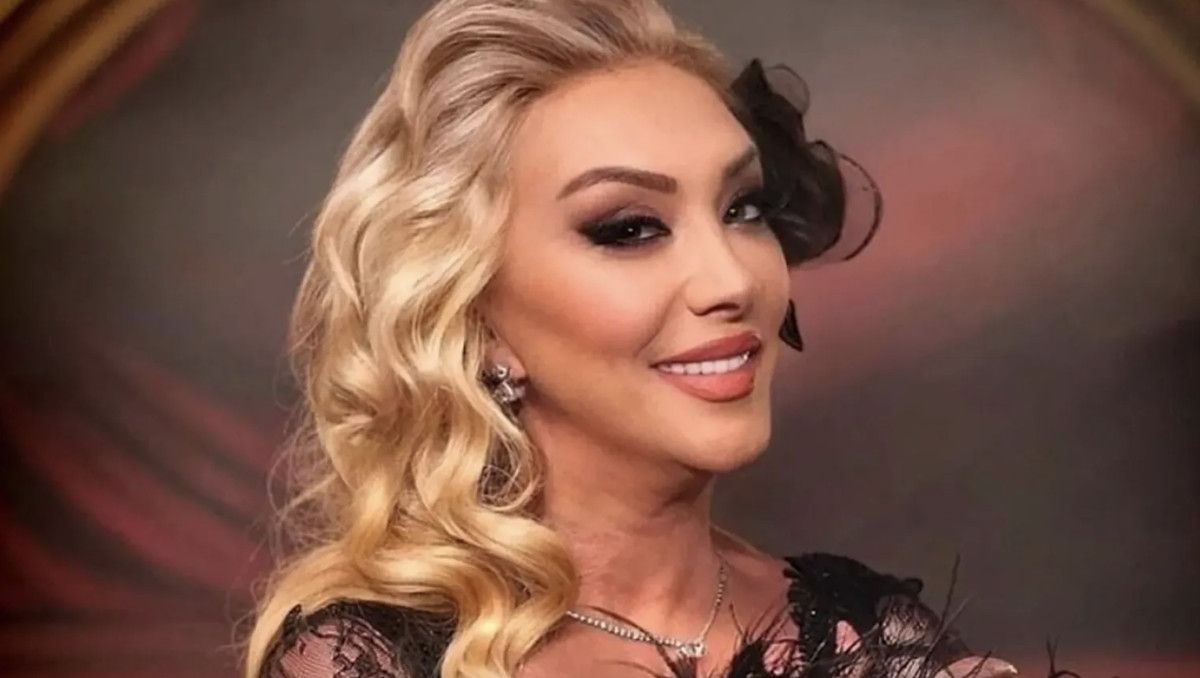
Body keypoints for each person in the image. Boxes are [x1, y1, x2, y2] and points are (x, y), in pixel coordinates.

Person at [241, 0, 1019, 676]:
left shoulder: (870, 634)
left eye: (743, 208)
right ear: (476, 318)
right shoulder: (369, 660)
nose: (731, 280)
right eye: (629, 228)